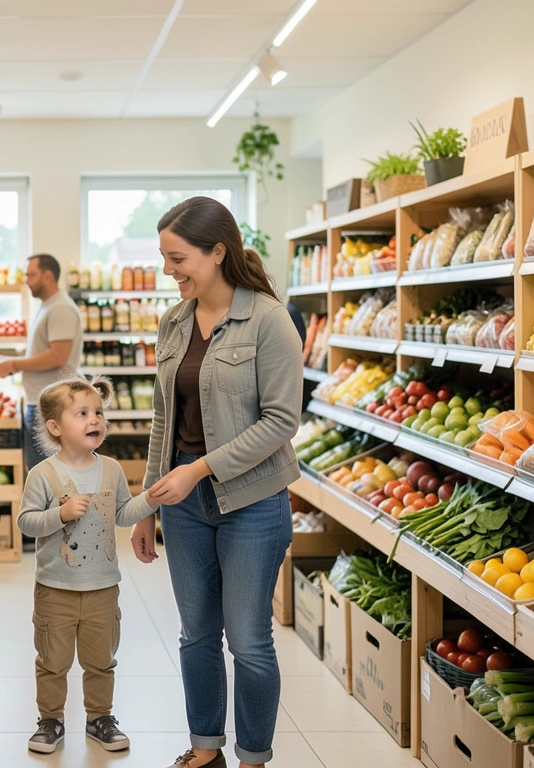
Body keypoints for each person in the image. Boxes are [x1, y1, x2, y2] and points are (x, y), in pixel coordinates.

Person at [130, 197, 302, 768]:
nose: (167, 271)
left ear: (218, 251)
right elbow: (163, 419)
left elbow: (281, 422)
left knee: (249, 641)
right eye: (163, 258)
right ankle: (207, 749)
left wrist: (198, 470)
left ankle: (253, 756)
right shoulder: (174, 322)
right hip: (181, 505)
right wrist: (149, 504)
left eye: (177, 258)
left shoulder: (269, 320)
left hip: (252, 501)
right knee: (196, 634)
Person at [17, 376, 157, 756]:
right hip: (55, 589)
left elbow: (124, 514)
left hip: (102, 587)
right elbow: (26, 522)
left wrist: (151, 500)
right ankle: (50, 720)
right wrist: (59, 513)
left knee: (100, 661)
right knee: (52, 662)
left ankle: (100, 718)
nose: (95, 419)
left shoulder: (110, 469)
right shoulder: (42, 475)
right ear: (56, 428)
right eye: (82, 413)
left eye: (98, 412)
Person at [0, 253, 83, 470]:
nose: (26, 280)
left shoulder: (61, 308)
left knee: (48, 476)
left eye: (31, 275)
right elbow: (42, 349)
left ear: (48, 276)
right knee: (41, 473)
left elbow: (58, 355)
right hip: (40, 403)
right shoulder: (49, 306)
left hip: (50, 406)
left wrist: (15, 364)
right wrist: (12, 358)